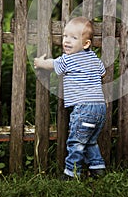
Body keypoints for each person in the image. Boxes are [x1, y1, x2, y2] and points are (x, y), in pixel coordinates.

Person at [34, 16, 107, 180]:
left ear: (86, 44)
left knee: (76, 142)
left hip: (83, 108)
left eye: (73, 38)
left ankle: (71, 174)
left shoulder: (68, 59)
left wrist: (39, 62)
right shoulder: (94, 59)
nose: (66, 41)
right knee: (90, 141)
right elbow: (103, 73)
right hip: (100, 107)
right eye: (65, 36)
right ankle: (98, 168)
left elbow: (52, 64)